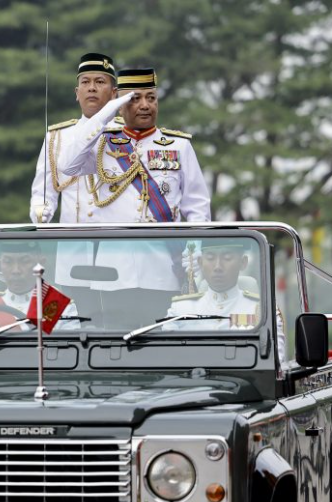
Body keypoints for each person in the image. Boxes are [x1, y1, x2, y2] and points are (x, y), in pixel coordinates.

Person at [54, 67, 213, 328]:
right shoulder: (103, 143)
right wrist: (106, 112)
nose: (144, 105)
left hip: (162, 269)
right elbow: (66, 165)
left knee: (159, 344)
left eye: (151, 98)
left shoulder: (178, 146)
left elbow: (197, 207)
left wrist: (194, 251)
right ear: (120, 102)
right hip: (113, 273)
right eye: (134, 98)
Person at [30, 52, 121, 323]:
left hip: (120, 251)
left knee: (118, 325)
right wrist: (40, 212)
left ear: (114, 93)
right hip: (71, 253)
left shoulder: (126, 135)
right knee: (68, 324)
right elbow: (42, 191)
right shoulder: (57, 136)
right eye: (85, 81)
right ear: (76, 92)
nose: (91, 87)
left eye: (100, 81)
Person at [167, 238, 287, 361]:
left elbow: (275, 360)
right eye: (210, 258)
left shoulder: (264, 311)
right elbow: (166, 357)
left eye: (227, 257)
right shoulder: (180, 310)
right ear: (200, 262)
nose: (218, 266)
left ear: (243, 262)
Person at [0, 242, 80, 331]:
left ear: (41, 264)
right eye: (8, 262)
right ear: (0, 264)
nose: (16, 270)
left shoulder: (60, 306)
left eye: (24, 261)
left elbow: (68, 356)